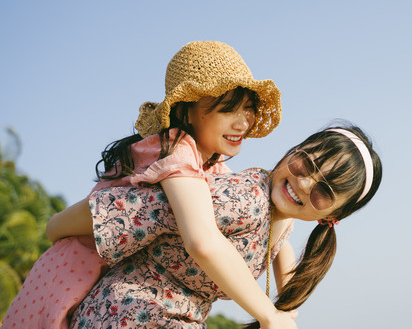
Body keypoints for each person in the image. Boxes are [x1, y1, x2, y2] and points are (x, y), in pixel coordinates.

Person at [1, 41, 286, 329]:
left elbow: (262, 211)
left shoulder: (212, 164)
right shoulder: (177, 149)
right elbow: (203, 240)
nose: (242, 123)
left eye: (248, 109)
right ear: (187, 112)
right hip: (73, 269)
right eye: (228, 110)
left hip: (110, 273)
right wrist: (269, 315)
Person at [47, 123, 382, 328]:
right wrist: (58, 226)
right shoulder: (245, 197)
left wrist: (285, 313)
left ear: (332, 216)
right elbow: (147, 211)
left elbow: (290, 284)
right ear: (293, 150)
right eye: (304, 163)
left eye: (324, 192)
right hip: (133, 311)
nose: (306, 183)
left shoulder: (281, 224)